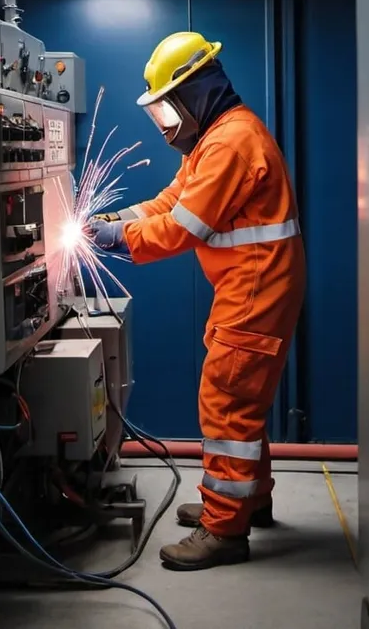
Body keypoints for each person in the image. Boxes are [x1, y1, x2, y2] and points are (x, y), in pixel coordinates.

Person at [89, 31, 306, 571]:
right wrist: (117, 220)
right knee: (241, 400)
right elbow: (171, 200)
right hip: (250, 284)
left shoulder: (231, 142)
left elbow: (185, 226)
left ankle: (224, 530)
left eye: (166, 107)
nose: (164, 122)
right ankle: (246, 501)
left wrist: (122, 240)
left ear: (196, 91)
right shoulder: (215, 137)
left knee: (226, 399)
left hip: (256, 288)